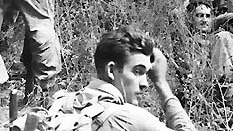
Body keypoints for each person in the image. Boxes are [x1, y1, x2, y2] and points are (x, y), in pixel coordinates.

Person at [56, 27, 197, 131]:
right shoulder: (129, 117)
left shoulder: (63, 103)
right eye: (137, 71)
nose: (145, 84)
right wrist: (161, 82)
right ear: (111, 70)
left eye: (146, 74)